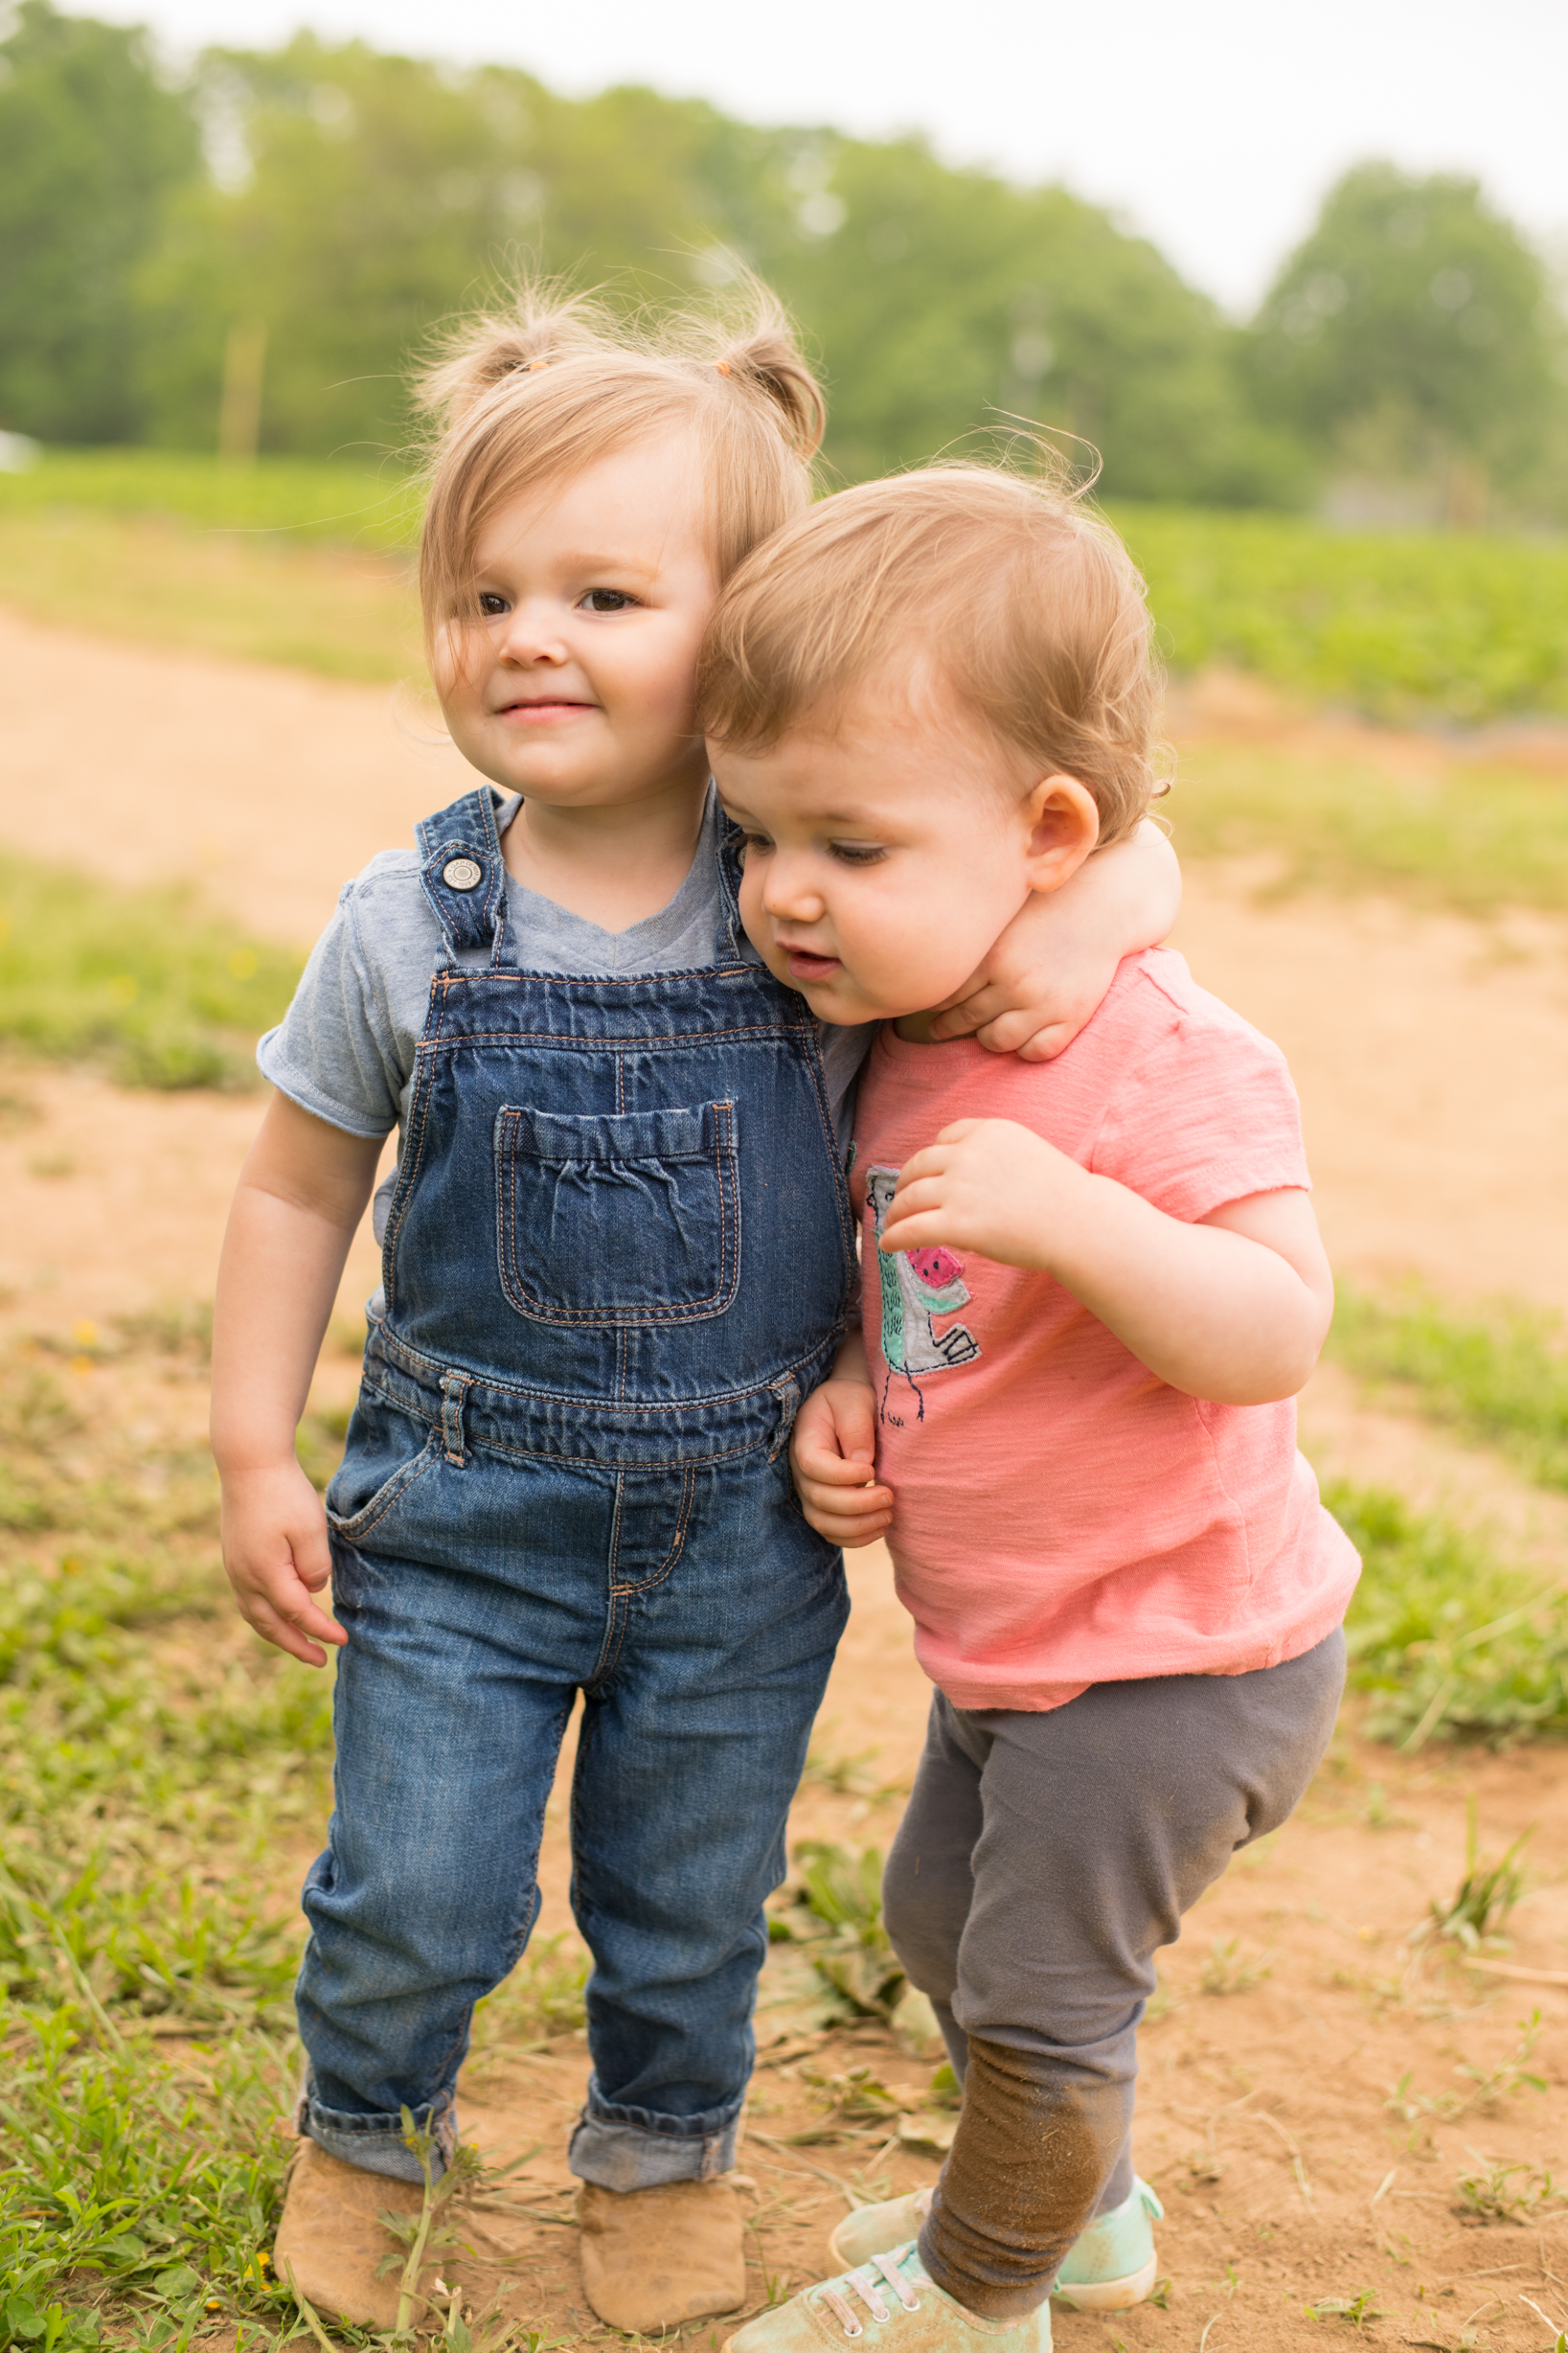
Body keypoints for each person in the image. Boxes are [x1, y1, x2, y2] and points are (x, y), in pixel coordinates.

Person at [208, 293, 1184, 2338]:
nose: (524, 636)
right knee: (412, 1882)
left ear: (747, 630)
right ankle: (367, 2126)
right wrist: (248, 1443)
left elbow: (1089, 859)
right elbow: (300, 1176)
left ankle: (664, 2142)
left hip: (738, 1533)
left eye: (602, 591)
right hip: (459, 1509)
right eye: (480, 593)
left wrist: (850, 1366)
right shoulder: (412, 919)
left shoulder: (822, 900)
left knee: (688, 1892)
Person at [699, 463, 1360, 2353]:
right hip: (1022, 1644)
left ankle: (978, 2300)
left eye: (850, 843)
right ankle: (1087, 2214)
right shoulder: (904, 1036)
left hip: (1180, 1657)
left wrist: (1081, 1221)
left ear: (1051, 830)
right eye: (754, 835)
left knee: (1048, 1994)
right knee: (942, 1924)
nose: (782, 893)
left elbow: (1274, 1323)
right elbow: (930, 1291)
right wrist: (855, 1392)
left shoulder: (1170, 1057)